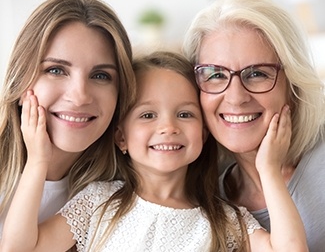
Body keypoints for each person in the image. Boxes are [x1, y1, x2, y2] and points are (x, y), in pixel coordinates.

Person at [0, 51, 307, 252]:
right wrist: (38, 160)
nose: (169, 127)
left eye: (185, 114)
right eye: (148, 115)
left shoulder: (227, 220)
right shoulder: (98, 202)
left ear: (203, 133)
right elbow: (18, 248)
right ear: (121, 136)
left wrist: (269, 170)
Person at [182, 0, 325, 251]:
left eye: (257, 73)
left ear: (292, 85)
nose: (236, 98)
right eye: (215, 74)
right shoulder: (207, 202)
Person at [0, 0, 136, 238]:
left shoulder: (118, 194)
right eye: (56, 70)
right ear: (21, 81)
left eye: (101, 75)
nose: (80, 96)